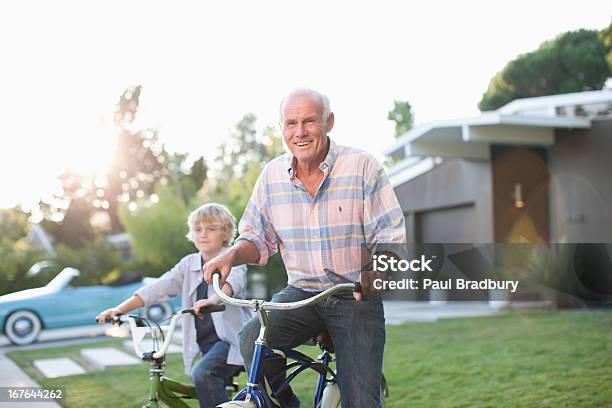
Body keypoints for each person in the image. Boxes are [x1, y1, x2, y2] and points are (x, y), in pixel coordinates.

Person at [204, 88, 406, 407]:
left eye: (309, 121)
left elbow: (390, 236)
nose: (300, 132)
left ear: (329, 122)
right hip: (300, 293)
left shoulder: (362, 166)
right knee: (251, 340)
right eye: (291, 123)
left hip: (353, 292)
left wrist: (378, 269)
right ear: (282, 128)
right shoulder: (272, 175)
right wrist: (229, 254)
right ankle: (286, 403)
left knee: (361, 400)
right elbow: (256, 238)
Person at [96, 203, 250, 408]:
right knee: (205, 382)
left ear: (226, 233)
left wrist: (212, 300)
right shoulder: (188, 264)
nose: (203, 234)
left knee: (203, 374)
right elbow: (159, 287)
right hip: (206, 343)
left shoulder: (233, 259)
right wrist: (120, 309)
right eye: (197, 229)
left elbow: (232, 284)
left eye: (211, 228)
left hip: (232, 341)